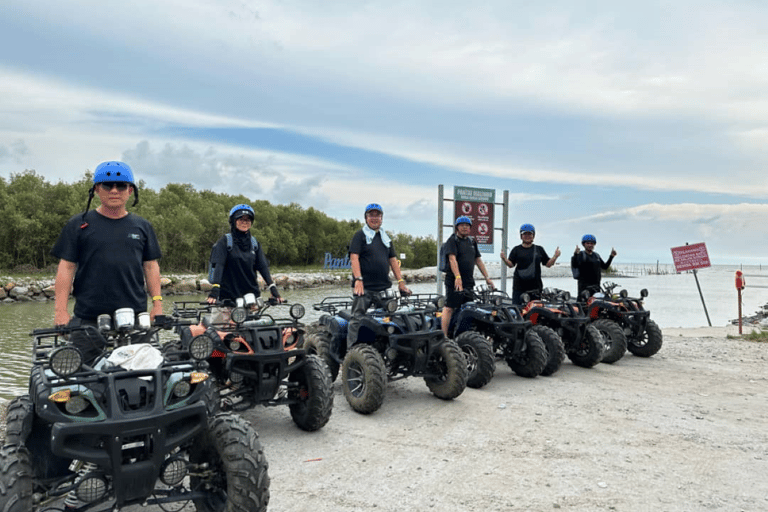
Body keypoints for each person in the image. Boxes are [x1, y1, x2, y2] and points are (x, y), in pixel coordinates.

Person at [52, 161, 163, 364]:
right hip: (88, 318)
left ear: (130, 190)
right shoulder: (78, 225)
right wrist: (61, 311)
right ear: (96, 189)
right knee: (83, 381)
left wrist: (157, 305)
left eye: (121, 186)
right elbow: (66, 268)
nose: (114, 191)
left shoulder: (143, 226)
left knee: (143, 380)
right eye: (107, 185)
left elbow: (151, 266)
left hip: (136, 317)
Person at [347, 203, 411, 346]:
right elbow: (354, 257)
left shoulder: (385, 237)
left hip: (383, 287)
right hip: (364, 287)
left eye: (378, 215)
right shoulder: (360, 235)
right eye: (371, 215)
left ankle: (389, 348)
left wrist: (401, 281)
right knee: (357, 318)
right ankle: (351, 352)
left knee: (391, 317)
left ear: (382, 218)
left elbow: (393, 260)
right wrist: (358, 279)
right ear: (366, 218)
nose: (375, 218)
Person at [207, 204, 283, 304]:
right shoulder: (225, 241)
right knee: (221, 320)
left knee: (256, 319)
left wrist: (273, 288)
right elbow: (218, 265)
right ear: (233, 221)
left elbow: (263, 267)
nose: (244, 222)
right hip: (227, 300)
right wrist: (215, 288)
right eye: (241, 219)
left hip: (251, 298)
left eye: (248, 220)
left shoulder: (254, 243)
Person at [441, 216, 495, 337]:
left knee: (468, 308)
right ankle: (444, 336)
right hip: (454, 281)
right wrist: (457, 277)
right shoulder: (453, 240)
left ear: (470, 228)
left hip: (469, 281)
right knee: (449, 307)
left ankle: (464, 335)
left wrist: (487, 277)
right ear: (457, 228)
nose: (465, 227)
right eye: (462, 225)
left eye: (467, 225)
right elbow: (452, 259)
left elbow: (478, 260)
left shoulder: (472, 241)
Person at [500, 223, 561, 304]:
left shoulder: (539, 249)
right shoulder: (516, 249)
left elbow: (548, 264)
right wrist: (504, 259)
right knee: (518, 310)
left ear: (533, 236)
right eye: (525, 234)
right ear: (521, 236)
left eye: (530, 234)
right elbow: (511, 265)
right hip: (519, 287)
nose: (527, 236)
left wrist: (555, 256)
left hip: (535, 288)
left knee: (535, 312)